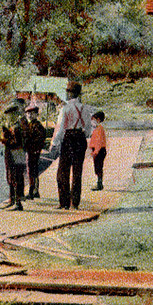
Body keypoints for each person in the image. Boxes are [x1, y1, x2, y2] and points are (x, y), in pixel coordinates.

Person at [49, 81, 96, 209]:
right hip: (80, 139)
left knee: (62, 172)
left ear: (69, 94)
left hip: (68, 138)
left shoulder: (65, 108)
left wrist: (54, 142)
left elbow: (61, 129)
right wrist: (82, 135)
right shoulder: (85, 108)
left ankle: (64, 202)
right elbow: (87, 129)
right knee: (77, 172)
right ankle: (75, 203)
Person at [0, 104, 27, 211]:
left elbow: (16, 142)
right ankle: (13, 200)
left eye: (9, 115)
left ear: (14, 114)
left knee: (16, 177)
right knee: (11, 177)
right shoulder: (14, 126)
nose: (8, 117)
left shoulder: (17, 127)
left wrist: (5, 140)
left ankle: (17, 203)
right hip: (15, 154)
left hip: (15, 154)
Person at [20, 103, 46, 199]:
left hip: (33, 151)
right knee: (32, 170)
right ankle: (34, 191)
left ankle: (32, 191)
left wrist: (35, 148)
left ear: (36, 114)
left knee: (32, 171)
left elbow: (39, 139)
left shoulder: (37, 126)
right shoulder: (30, 125)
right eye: (28, 114)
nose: (29, 115)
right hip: (30, 151)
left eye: (32, 113)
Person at [89, 111, 108, 191]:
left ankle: (99, 184)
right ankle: (99, 183)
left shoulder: (99, 128)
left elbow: (99, 142)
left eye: (94, 119)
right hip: (98, 150)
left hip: (99, 151)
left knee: (98, 167)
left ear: (98, 119)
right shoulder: (97, 128)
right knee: (97, 167)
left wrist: (95, 151)